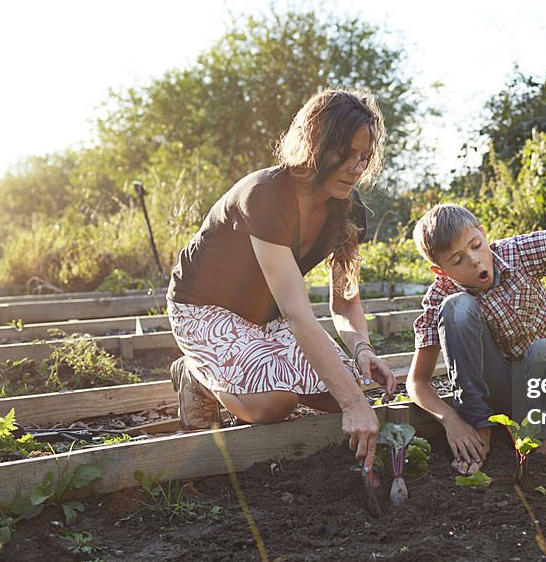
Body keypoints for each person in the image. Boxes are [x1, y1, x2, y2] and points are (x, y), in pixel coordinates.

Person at [165, 88, 397, 471]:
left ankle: (243, 368)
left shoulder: (349, 210)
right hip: (204, 309)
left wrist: (363, 351)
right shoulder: (266, 195)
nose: (356, 168)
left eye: (364, 157)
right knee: (276, 403)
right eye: (345, 153)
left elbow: (345, 302)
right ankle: (196, 375)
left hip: (266, 320)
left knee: (341, 390)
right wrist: (354, 405)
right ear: (315, 144)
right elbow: (296, 312)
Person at [406, 203, 546, 474]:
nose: (475, 260)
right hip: (496, 395)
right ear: (441, 272)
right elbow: (417, 381)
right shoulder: (438, 297)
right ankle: (480, 427)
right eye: (457, 261)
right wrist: (451, 421)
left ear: (484, 235)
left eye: (476, 245)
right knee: (456, 305)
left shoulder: (515, 253)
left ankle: (540, 441)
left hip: (541, 389)